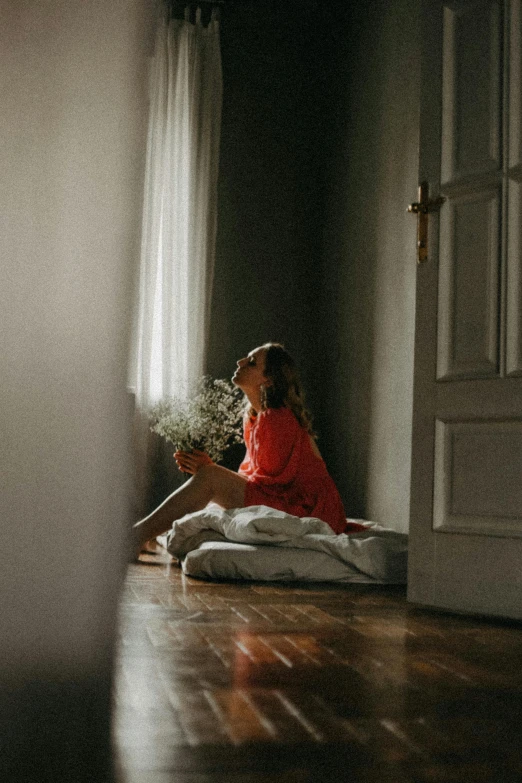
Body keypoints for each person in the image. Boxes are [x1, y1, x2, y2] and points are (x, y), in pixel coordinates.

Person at [133, 342, 363, 557]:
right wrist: (209, 470)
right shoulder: (254, 416)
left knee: (210, 479)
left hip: (307, 506)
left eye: (252, 362)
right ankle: (141, 535)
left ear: (268, 380)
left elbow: (271, 484)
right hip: (284, 495)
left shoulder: (277, 417)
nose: (240, 362)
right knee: (210, 479)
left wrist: (210, 471)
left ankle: (135, 537)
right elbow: (255, 475)